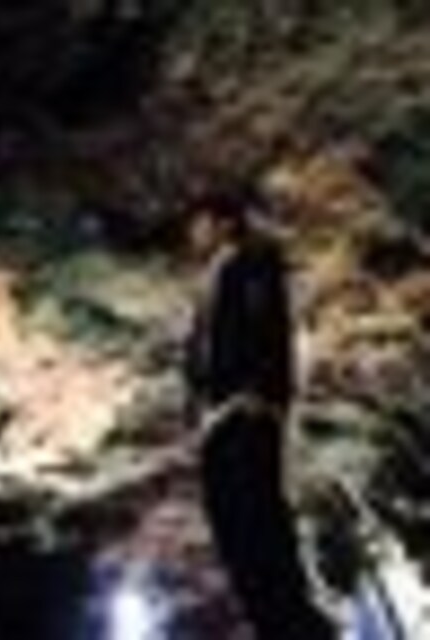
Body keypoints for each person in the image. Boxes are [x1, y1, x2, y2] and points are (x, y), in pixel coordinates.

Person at [184, 182, 335, 640]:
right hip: (214, 422)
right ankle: (270, 623)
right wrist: (196, 417)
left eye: (199, 223)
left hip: (247, 409)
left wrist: (263, 394)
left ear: (224, 222)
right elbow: (200, 356)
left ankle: (296, 626)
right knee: (230, 526)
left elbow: (273, 327)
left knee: (260, 520)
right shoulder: (208, 281)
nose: (192, 233)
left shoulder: (257, 261)